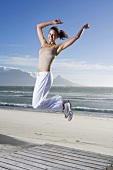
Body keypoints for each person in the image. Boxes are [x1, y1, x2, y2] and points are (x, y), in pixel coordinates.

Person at [32, 19, 89, 121]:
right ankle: (64, 106)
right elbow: (38, 26)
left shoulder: (57, 47)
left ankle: (63, 106)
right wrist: (53, 23)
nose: (50, 36)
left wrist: (83, 28)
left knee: (36, 105)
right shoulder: (43, 43)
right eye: (49, 34)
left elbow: (76, 37)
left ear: (57, 36)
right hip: (39, 76)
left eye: (53, 35)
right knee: (34, 104)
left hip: (45, 76)